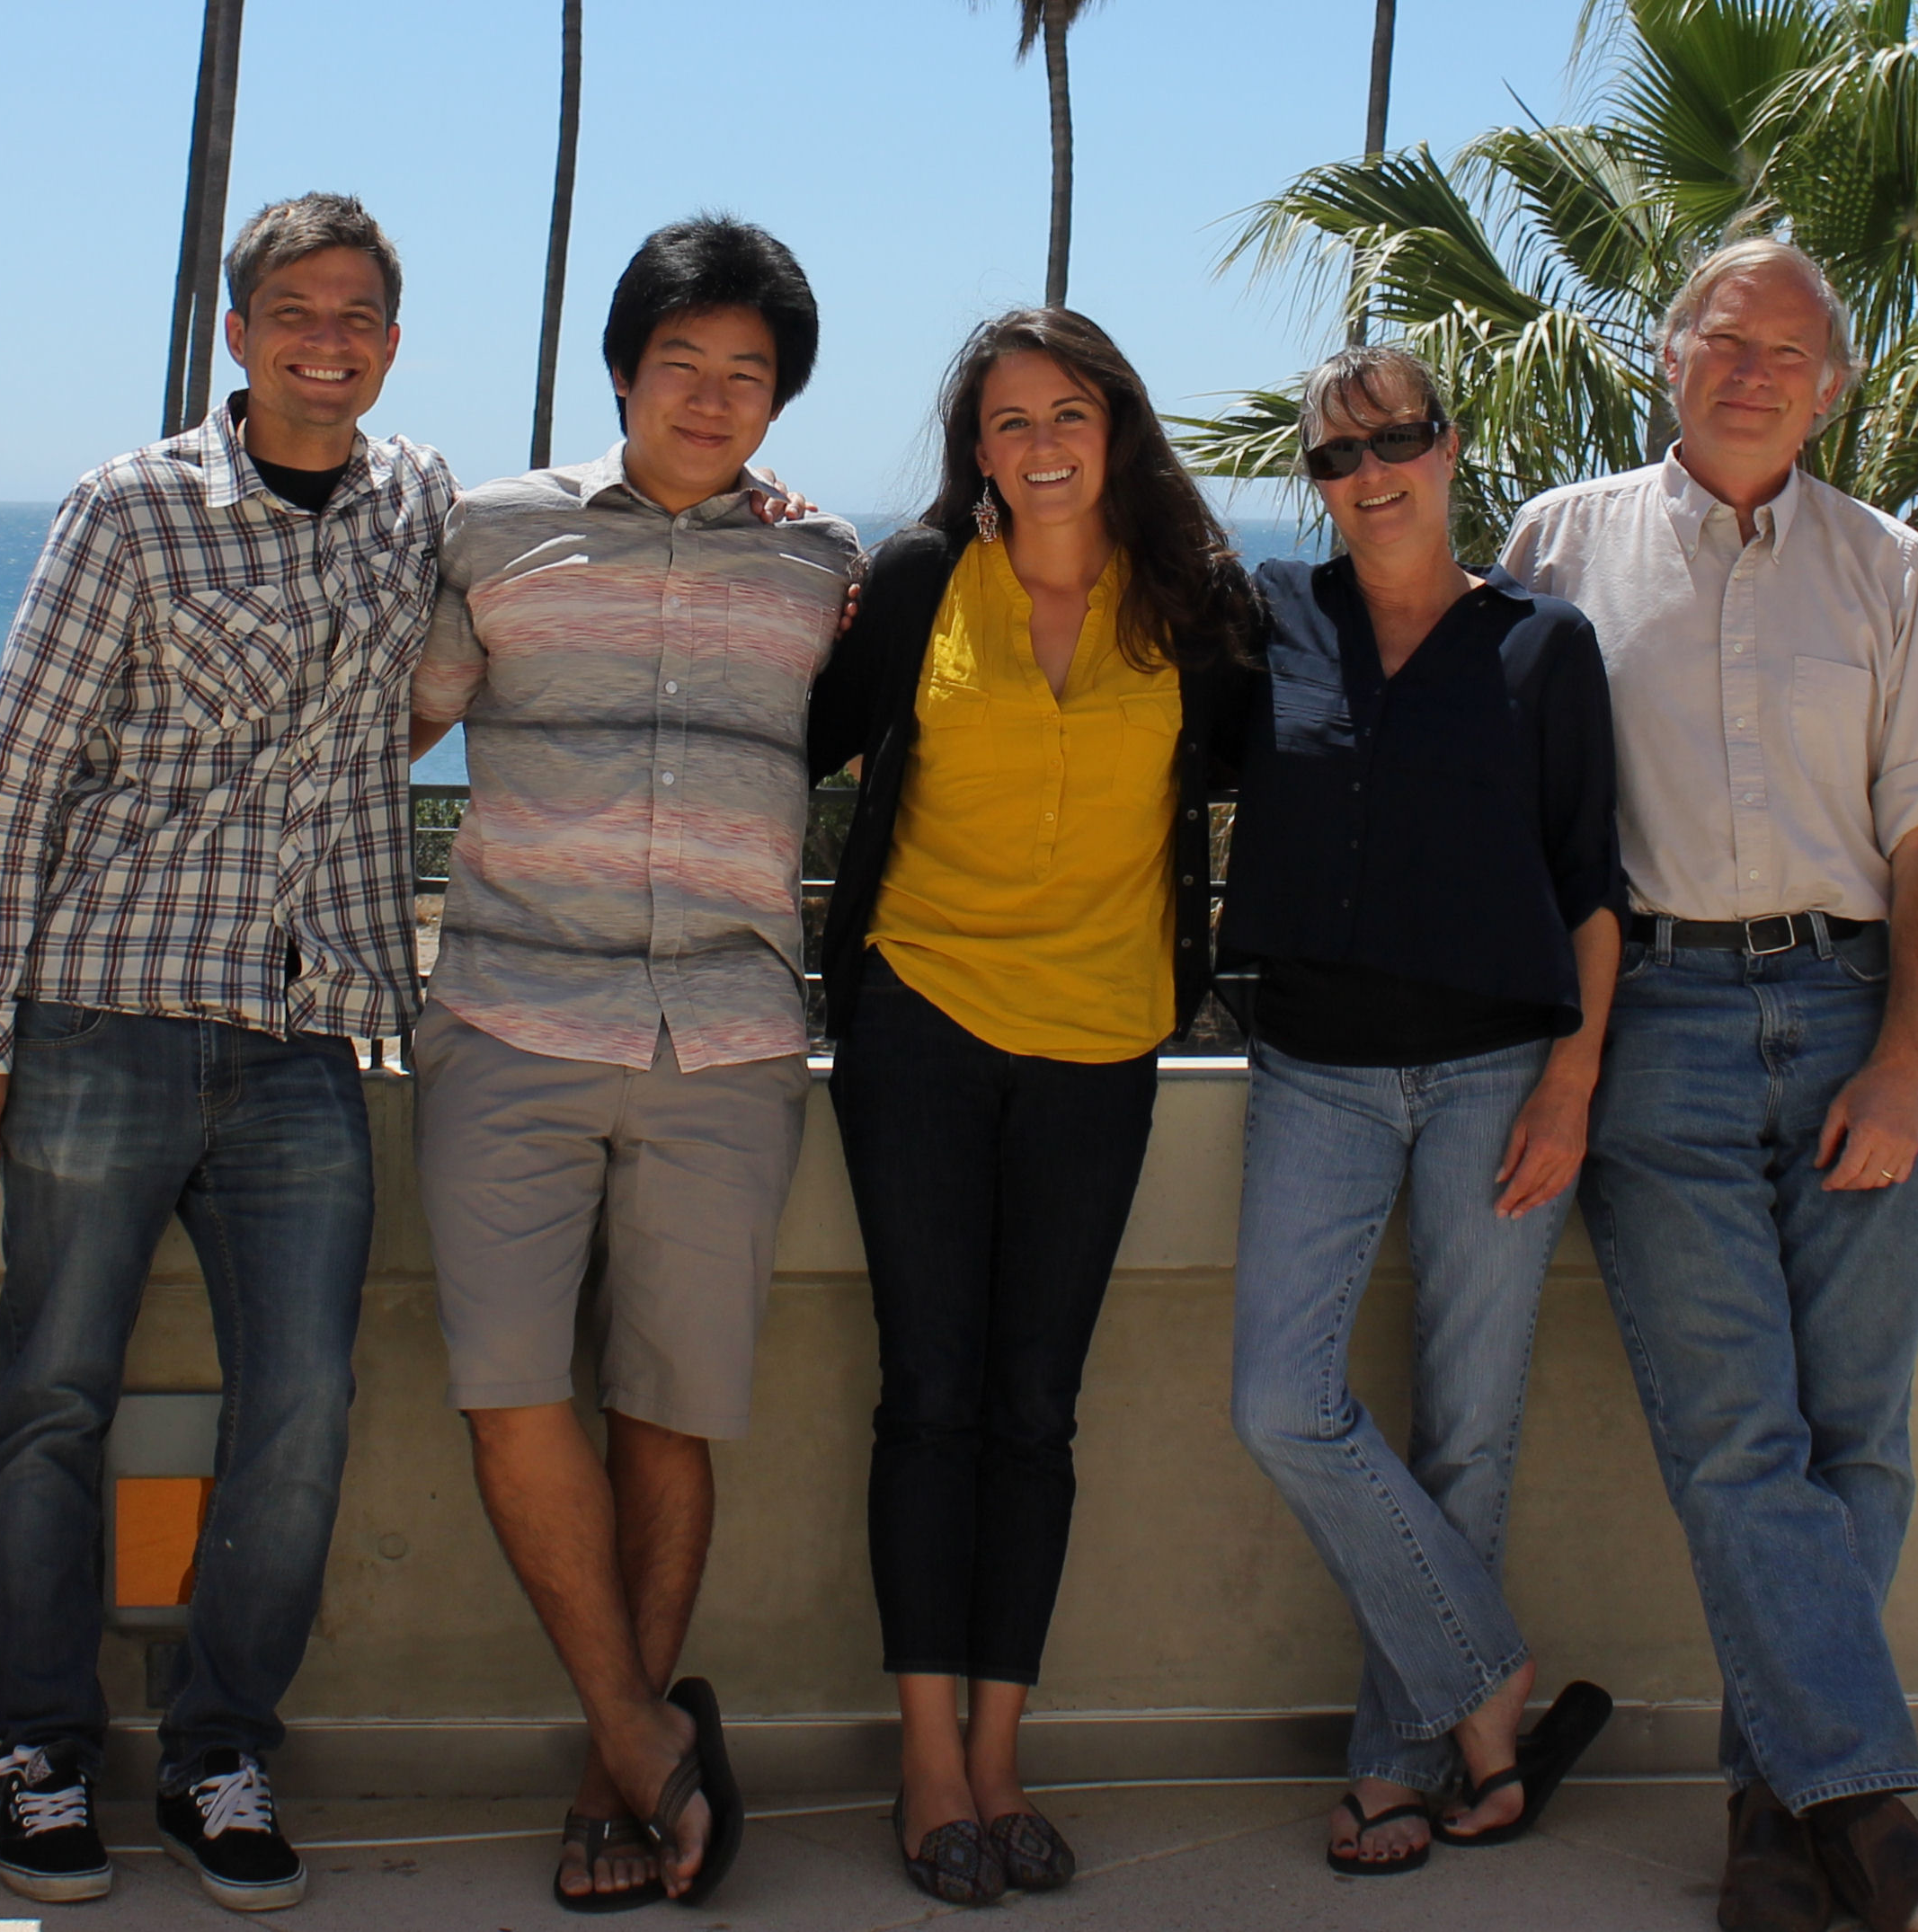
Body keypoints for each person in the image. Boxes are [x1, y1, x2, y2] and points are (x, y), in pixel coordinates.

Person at [0, 193, 453, 1912]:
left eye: (358, 312)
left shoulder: (420, 506)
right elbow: (16, 774)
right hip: (103, 1020)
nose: (327, 336)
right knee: (53, 1400)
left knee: (300, 1413)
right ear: (237, 333)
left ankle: (222, 1752)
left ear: (389, 336)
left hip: (308, 1041)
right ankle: (40, 1751)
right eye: (293, 309)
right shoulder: (133, 510)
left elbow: (567, 547)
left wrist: (756, 506)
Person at [1502, 238, 1918, 1932]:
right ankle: (1871, 1808)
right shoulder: (1559, 545)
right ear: (1669, 353)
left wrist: (1905, 1062)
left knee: (1861, 1439)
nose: (1755, 368)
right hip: (1652, 1025)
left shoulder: (1893, 567)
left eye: (1792, 350)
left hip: (1855, 1003)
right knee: (1740, 1436)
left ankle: (1772, 1819)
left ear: (1833, 384)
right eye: (1727, 335)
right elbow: (1513, 814)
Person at [404, 216, 861, 1912]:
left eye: (751, 376)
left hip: (728, 1048)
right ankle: (650, 1741)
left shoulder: (828, 569)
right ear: (625, 368)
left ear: (779, 402)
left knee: (674, 1412)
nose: (715, 397)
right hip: (513, 1019)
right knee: (510, 1393)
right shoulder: (496, 533)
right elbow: (389, 718)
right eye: (686, 364)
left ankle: (621, 1783)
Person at [805, 307, 1257, 1907]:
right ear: (973, 447)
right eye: (1009, 420)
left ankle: (1004, 1753)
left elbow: (1291, 759)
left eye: (1070, 411)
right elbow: (798, 731)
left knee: (1035, 1406)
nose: (1042, 442)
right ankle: (929, 1760)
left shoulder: (1196, 605)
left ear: (1118, 428)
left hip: (1104, 1040)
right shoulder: (926, 583)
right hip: (919, 1022)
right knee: (929, 1392)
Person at [1221, 343, 1623, 1880]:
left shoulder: (1543, 645)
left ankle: (1396, 1768)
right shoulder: (1272, 625)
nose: (1369, 472)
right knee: (1280, 1397)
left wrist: (1574, 1085)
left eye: (1398, 439)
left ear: (1452, 448)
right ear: (1313, 483)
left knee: (1470, 1428)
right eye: (1335, 455)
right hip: (1315, 1065)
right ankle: (1488, 1682)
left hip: (1498, 1075)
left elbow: (1595, 883)